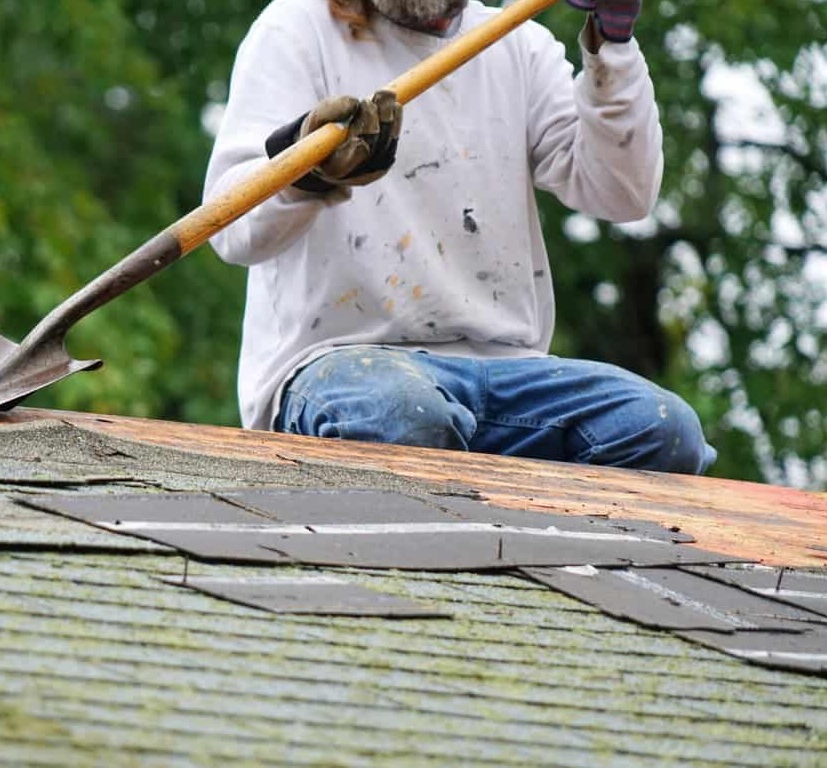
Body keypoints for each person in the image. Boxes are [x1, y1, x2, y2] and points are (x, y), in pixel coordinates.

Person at [203, 0, 716, 474]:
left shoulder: (517, 45)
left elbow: (623, 193)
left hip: (511, 373)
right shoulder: (297, 28)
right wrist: (307, 172)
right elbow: (231, 232)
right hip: (340, 367)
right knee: (404, 415)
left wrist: (613, 44)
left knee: (663, 430)